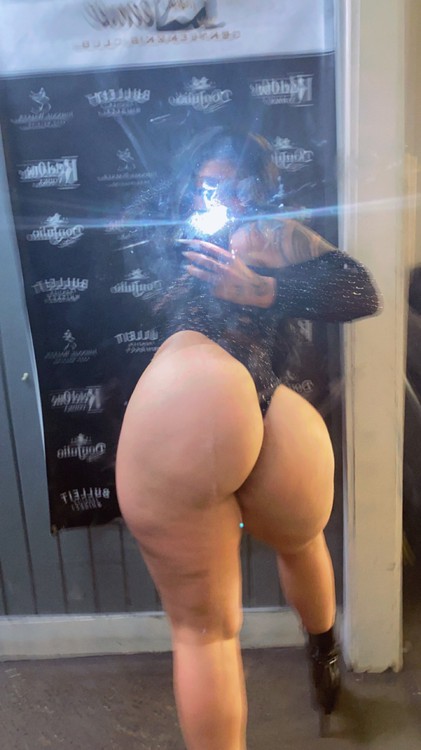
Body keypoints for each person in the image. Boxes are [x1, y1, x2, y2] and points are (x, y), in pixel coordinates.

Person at [116, 128, 380, 749]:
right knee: (303, 544)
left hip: (202, 389)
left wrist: (262, 287)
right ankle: (325, 657)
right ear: (192, 187)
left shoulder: (269, 236)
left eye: (242, 190)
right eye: (213, 188)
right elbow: (131, 224)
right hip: (268, 405)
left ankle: (325, 658)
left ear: (262, 190)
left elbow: (359, 291)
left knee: (203, 632)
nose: (227, 202)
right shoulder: (182, 228)